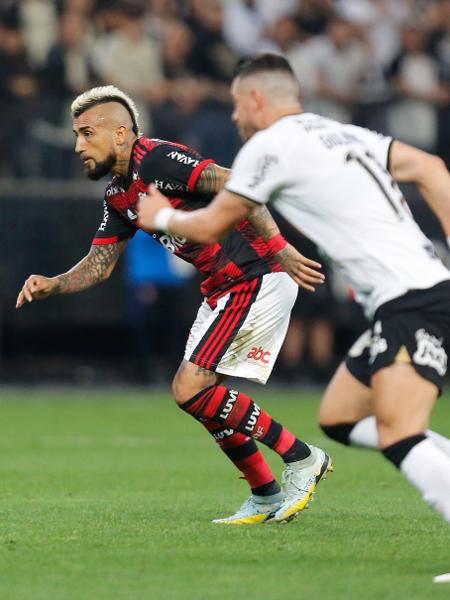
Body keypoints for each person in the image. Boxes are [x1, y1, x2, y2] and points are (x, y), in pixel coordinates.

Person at [136, 53, 450, 525]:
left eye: (238, 105)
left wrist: (160, 216)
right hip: (406, 299)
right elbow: (429, 166)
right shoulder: (340, 131)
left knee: (399, 432)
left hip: (416, 300)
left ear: (257, 99)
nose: (236, 117)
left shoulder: (269, 147)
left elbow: (212, 222)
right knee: (340, 418)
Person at [16, 84, 332, 525]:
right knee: (196, 397)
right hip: (221, 289)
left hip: (255, 276)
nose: (77, 145)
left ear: (121, 133)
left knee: (190, 388)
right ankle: (264, 494)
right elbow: (99, 264)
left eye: (87, 133)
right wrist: (55, 283)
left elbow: (238, 184)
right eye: (77, 135)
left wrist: (278, 247)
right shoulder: (118, 195)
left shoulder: (158, 160)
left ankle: (302, 457)